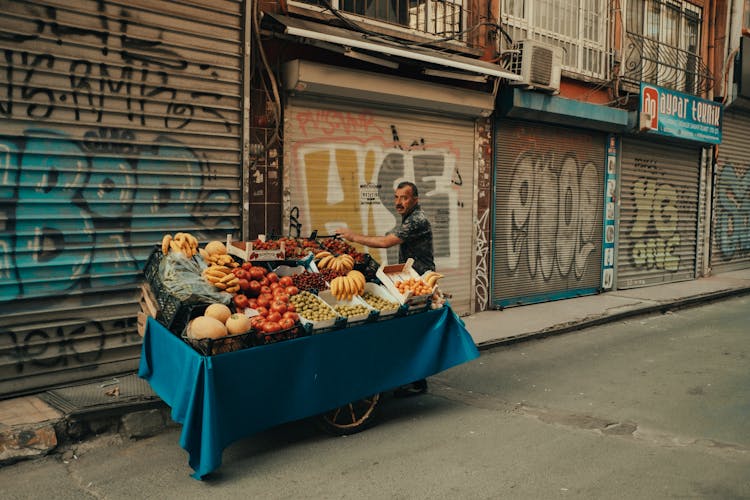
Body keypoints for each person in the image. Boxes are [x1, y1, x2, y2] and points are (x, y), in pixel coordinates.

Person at [335, 181, 434, 397]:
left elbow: (386, 242)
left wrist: (353, 237)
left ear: (415, 200)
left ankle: (417, 380)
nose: (398, 202)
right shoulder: (409, 217)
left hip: (419, 281)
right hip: (408, 278)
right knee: (410, 329)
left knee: (411, 330)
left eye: (404, 198)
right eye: (397, 197)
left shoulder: (417, 220)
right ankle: (415, 378)